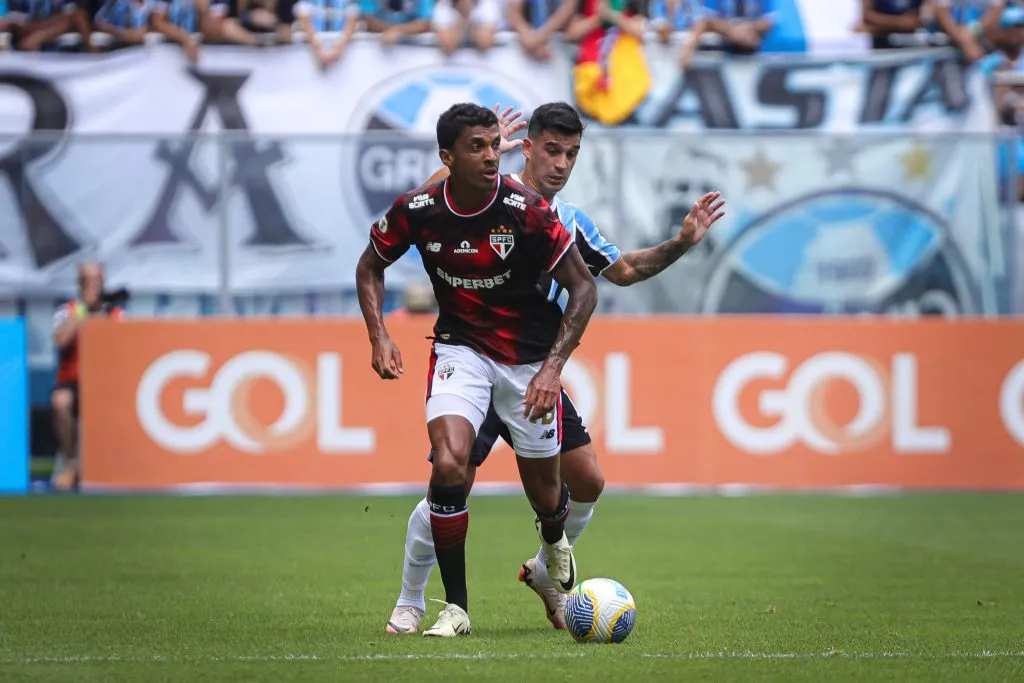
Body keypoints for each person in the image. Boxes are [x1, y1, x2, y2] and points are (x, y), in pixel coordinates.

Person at [384, 102, 726, 635]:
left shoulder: (569, 221)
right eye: (551, 150)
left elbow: (625, 270)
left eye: (571, 154)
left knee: (587, 477)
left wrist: (680, 244)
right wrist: (460, 160)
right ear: (527, 147)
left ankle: (546, 570)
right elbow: (426, 203)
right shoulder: (481, 192)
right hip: (472, 354)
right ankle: (411, 600)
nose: (562, 163)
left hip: (530, 371)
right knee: (451, 481)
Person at [355, 103, 600, 638]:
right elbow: (370, 264)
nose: (493, 156)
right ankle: (439, 606)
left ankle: (552, 545)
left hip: (529, 363)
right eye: (479, 147)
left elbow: (587, 286)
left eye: (495, 146)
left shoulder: (527, 211)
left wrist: (552, 370)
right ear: (447, 157)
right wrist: (379, 334)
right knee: (449, 468)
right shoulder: (419, 208)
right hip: (461, 351)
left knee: (554, 491)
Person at [51, 262, 126, 492]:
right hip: (74, 379)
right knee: (61, 401)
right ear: (80, 283)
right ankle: (71, 465)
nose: (92, 284)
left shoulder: (116, 313)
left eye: (97, 279)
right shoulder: (68, 311)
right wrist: (82, 312)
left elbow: (127, 347)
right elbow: (61, 341)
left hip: (107, 382)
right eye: (87, 279)